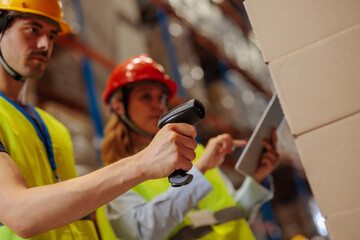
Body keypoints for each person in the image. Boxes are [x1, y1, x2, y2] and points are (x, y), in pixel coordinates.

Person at [0, 1, 198, 239]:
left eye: (51, 35)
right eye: (33, 29)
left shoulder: (55, 128)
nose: (45, 45)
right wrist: (143, 163)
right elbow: (20, 214)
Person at [98, 54, 279, 240]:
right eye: (145, 96)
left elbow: (232, 213)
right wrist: (201, 169)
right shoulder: (115, 177)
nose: (158, 106)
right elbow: (140, 234)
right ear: (119, 107)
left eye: (161, 98)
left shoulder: (196, 152)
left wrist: (256, 180)